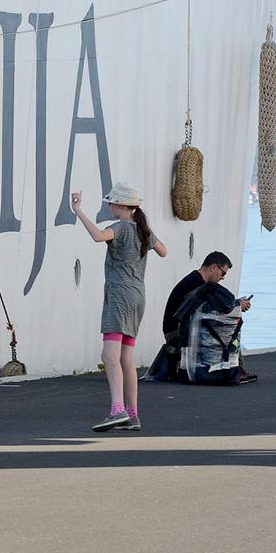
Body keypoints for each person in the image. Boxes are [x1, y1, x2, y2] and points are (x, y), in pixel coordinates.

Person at [72, 182, 167, 432]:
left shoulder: (121, 228)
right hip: (138, 296)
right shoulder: (143, 230)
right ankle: (133, 414)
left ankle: (117, 410)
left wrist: (78, 211)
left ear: (123, 206)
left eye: (112, 202)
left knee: (109, 356)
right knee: (126, 357)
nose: (110, 206)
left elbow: (97, 236)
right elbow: (163, 251)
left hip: (119, 296)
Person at [149, 251, 256, 382]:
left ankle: (233, 369)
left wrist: (235, 304)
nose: (222, 278)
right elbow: (208, 311)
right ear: (213, 267)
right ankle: (233, 369)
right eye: (223, 273)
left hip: (176, 329)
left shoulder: (196, 281)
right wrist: (236, 305)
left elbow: (207, 309)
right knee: (227, 333)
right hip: (176, 333)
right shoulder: (197, 284)